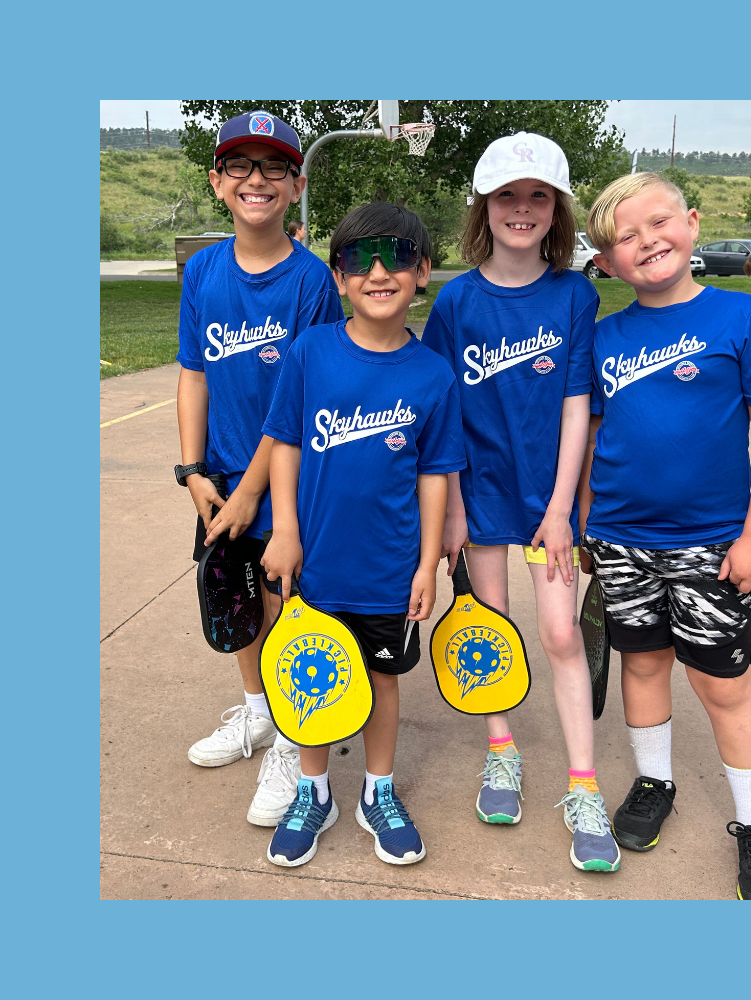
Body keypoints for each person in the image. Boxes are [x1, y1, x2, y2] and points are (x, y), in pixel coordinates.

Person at [580, 172, 751, 899]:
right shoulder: (604, 336)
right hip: (620, 539)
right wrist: (586, 520)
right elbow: (595, 436)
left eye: (660, 222)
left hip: (712, 542)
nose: (648, 241)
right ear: (606, 262)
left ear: (694, 224)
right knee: (642, 666)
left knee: (721, 683)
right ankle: (655, 782)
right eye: (625, 236)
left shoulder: (743, 321)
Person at [422, 132, 621, 873]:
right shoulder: (457, 302)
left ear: (557, 208)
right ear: (484, 205)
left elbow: (576, 405)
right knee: (490, 632)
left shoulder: (574, 294)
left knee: (562, 635)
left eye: (539, 195)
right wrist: (452, 509)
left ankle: (583, 784)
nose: (523, 209)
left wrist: (562, 509)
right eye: (508, 194)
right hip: (479, 495)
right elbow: (442, 415)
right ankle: (500, 752)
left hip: (548, 502)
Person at [260, 203, 465, 867]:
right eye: (359, 260)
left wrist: (428, 562)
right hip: (317, 560)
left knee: (380, 679)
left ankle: (378, 790)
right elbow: (285, 445)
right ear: (340, 277)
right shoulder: (311, 352)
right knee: (311, 674)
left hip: (389, 563)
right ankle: (313, 790)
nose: (379, 272)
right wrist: (285, 529)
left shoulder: (433, 374)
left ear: (423, 272)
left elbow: (435, 474)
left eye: (397, 257)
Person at [175, 110, 344, 829]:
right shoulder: (205, 271)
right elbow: (193, 375)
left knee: (283, 608)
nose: (256, 179)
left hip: (284, 482)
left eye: (273, 166)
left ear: (295, 183)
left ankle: (291, 731)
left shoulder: (310, 282)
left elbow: (304, 402)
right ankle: (256, 715)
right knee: (235, 603)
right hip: (218, 481)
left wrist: (249, 492)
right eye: (239, 165)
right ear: (217, 183)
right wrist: (193, 472)